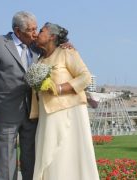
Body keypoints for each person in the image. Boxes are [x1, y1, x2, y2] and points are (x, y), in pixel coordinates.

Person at [31, 22, 99, 180]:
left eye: (41, 31)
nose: (37, 33)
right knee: (48, 155)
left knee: (65, 154)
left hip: (69, 112)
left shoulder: (67, 52)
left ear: (52, 36)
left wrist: (59, 88)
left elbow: (85, 77)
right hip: (46, 115)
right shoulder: (39, 60)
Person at [0, 11, 39, 180]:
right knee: (5, 158)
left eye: (36, 28)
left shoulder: (36, 47)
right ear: (17, 30)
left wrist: (66, 43)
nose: (35, 33)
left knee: (31, 157)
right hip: (5, 111)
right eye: (31, 29)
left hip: (32, 113)